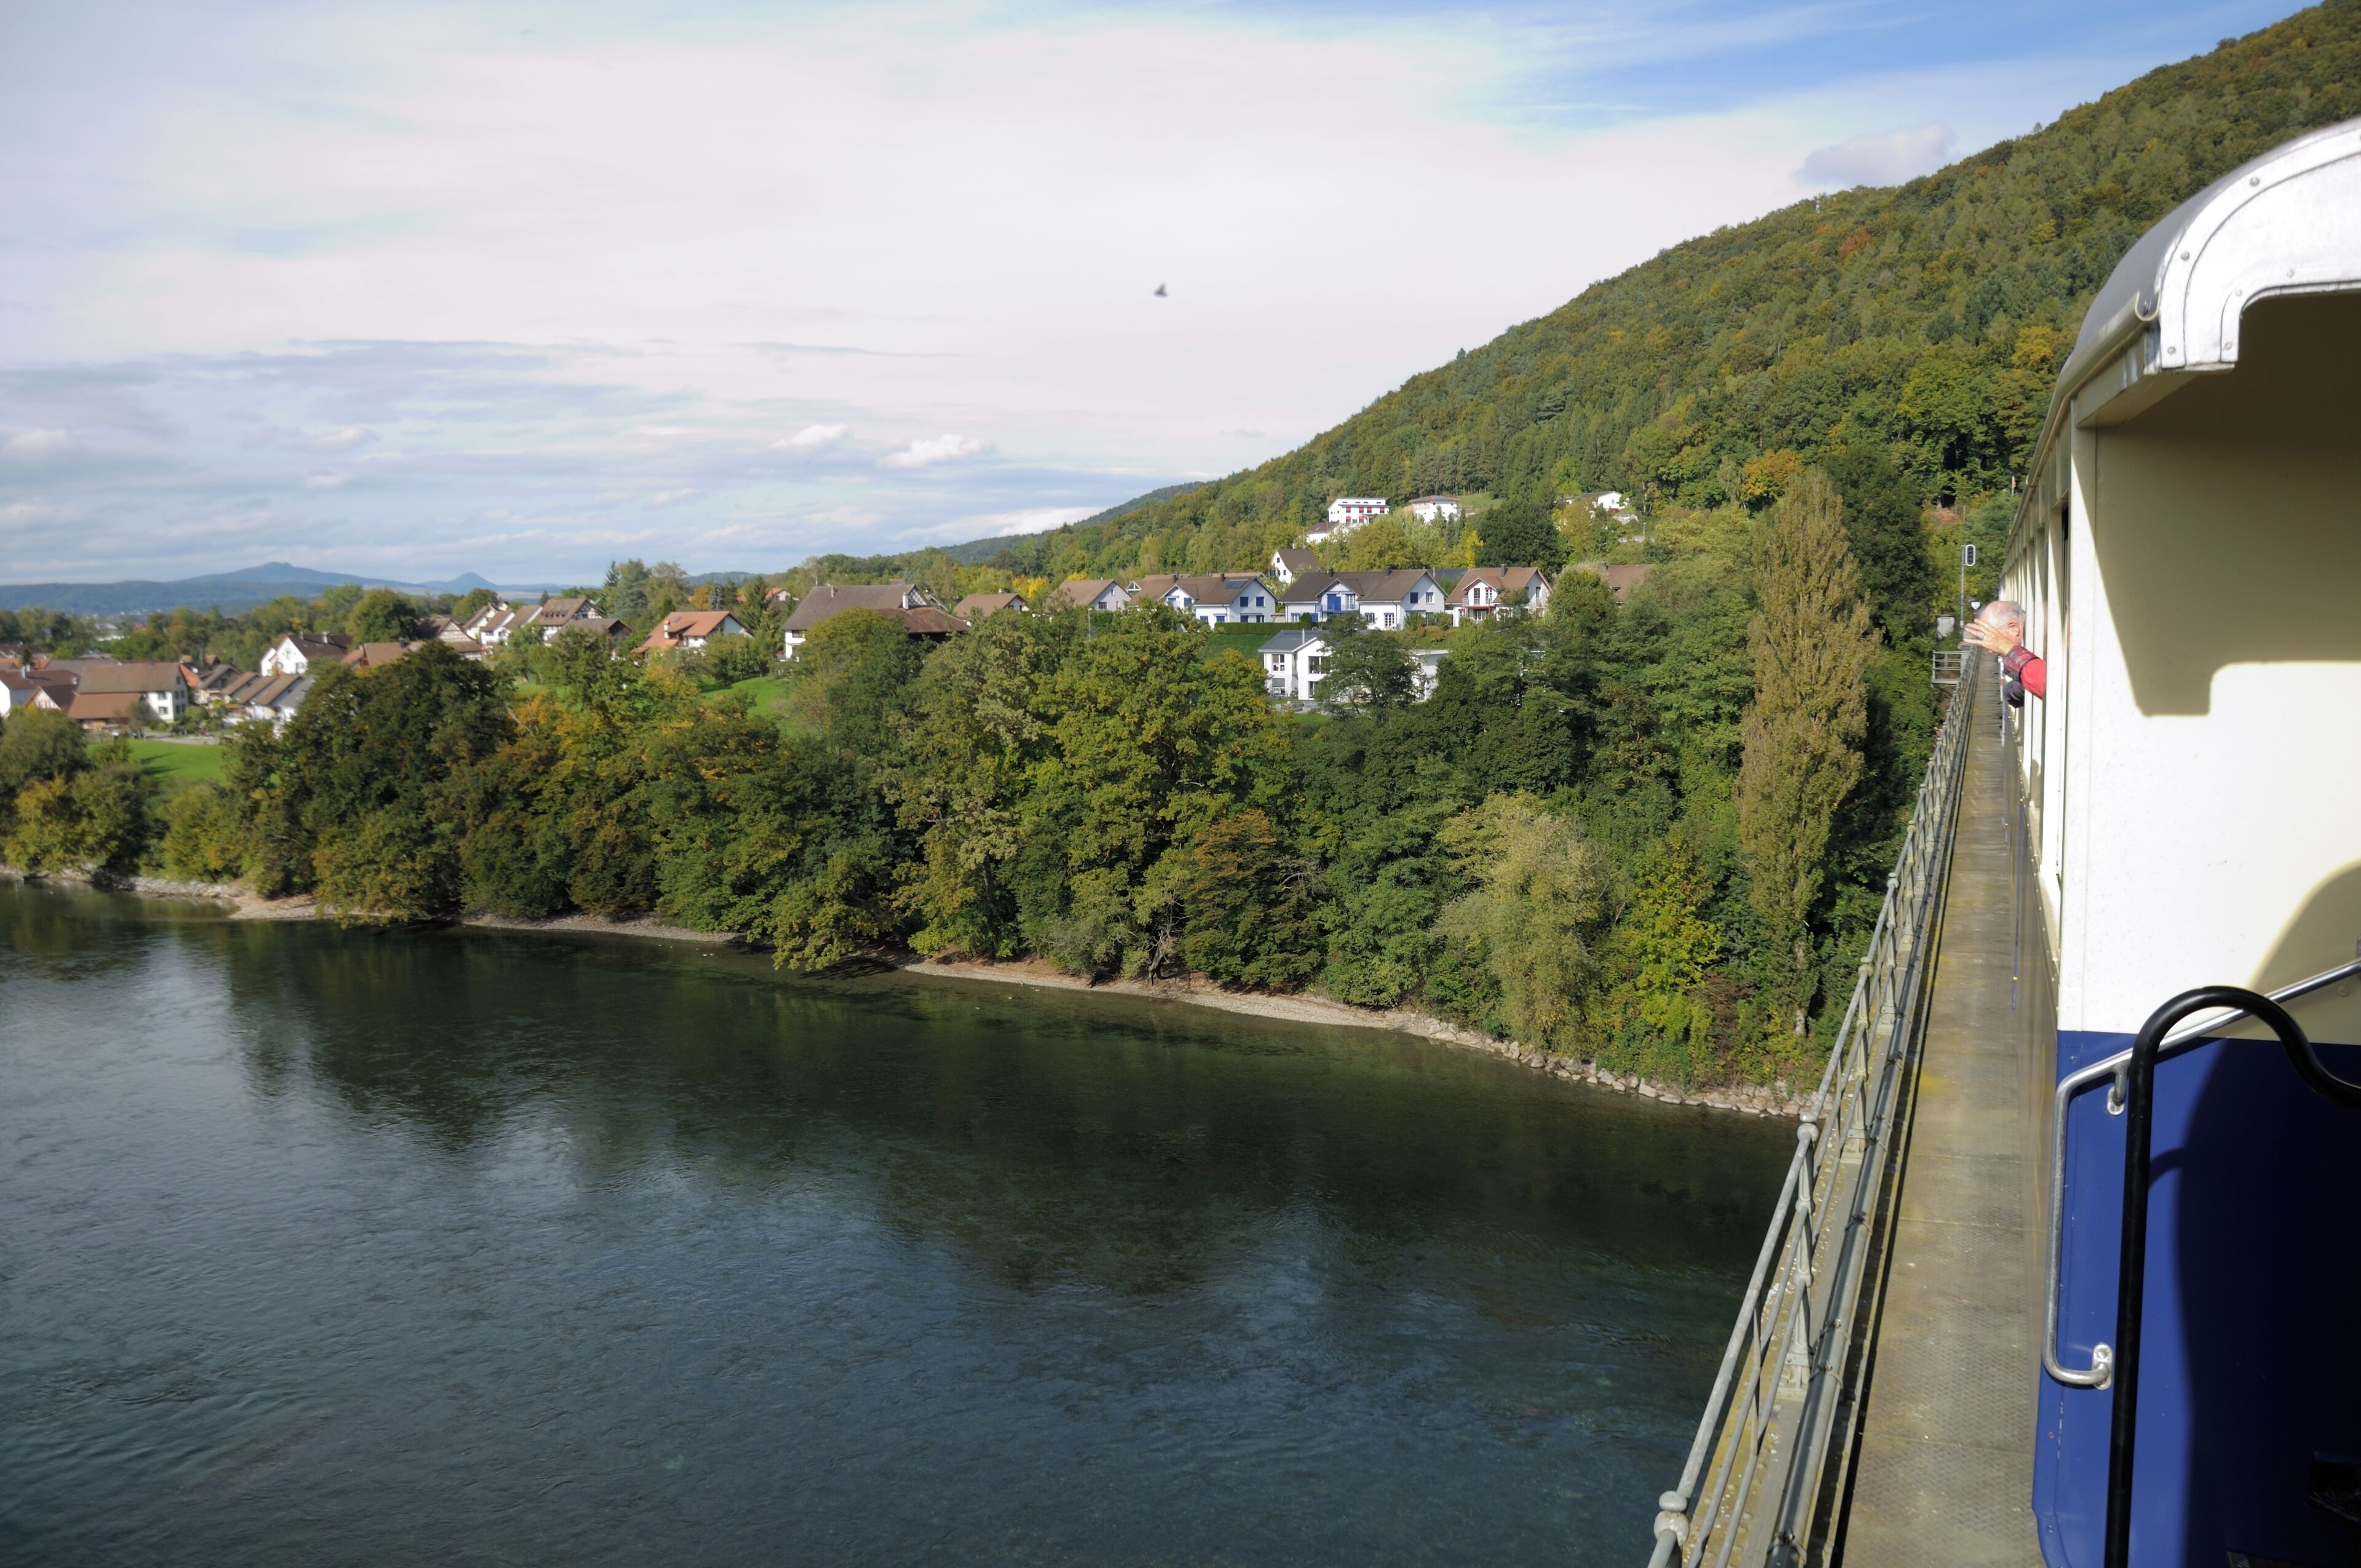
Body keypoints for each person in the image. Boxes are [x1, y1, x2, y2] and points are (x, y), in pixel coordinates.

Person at [1961, 600, 2045, 707]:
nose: (1991, 650)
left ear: (2014, 628)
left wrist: (2006, 648)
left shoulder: (2048, 645)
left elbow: (2048, 684)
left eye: (1995, 638)